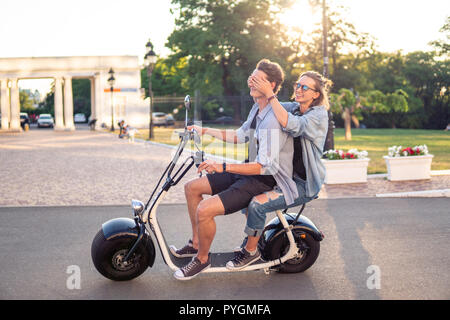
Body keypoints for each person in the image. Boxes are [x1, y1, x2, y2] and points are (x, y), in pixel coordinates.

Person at [171, 59, 298, 280]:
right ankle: (196, 244)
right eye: (252, 77)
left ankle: (201, 260)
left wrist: (222, 166)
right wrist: (205, 130)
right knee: (192, 188)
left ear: (273, 85)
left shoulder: (272, 120)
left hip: (262, 178)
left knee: (205, 210)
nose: (251, 82)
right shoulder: (257, 109)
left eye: (258, 79)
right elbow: (240, 136)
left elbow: (263, 166)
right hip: (247, 171)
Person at [226, 71, 331, 269]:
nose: (299, 89)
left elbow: (291, 124)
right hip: (283, 178)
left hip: (303, 184)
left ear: (316, 94)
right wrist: (257, 88)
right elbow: (265, 107)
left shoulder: (318, 115)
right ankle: (253, 241)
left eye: (305, 87)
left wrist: (271, 95)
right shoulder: (294, 107)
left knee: (257, 205)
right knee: (245, 196)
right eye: (297, 85)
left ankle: (250, 252)